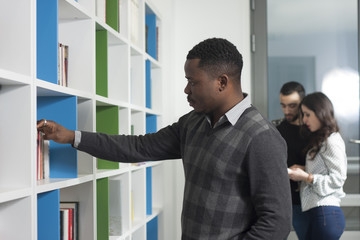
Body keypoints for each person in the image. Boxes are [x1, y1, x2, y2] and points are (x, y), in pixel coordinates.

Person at [38, 38, 292, 239]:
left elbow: (276, 222)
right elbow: (138, 147)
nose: (186, 90)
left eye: (193, 82)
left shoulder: (262, 137)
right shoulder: (192, 122)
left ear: (222, 82)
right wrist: (72, 136)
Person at [288, 92, 347, 240]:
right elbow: (325, 171)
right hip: (318, 213)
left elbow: (338, 179)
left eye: (307, 114)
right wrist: (304, 170)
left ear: (320, 112)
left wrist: (306, 177)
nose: (304, 120)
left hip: (326, 213)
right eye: (303, 115)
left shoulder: (332, 140)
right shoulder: (322, 139)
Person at [272, 81, 310, 240]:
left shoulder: (313, 129)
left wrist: (305, 170)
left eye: (292, 106)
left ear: (303, 103)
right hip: (283, 199)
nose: (286, 110)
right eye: (283, 105)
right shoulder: (275, 128)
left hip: (310, 199)